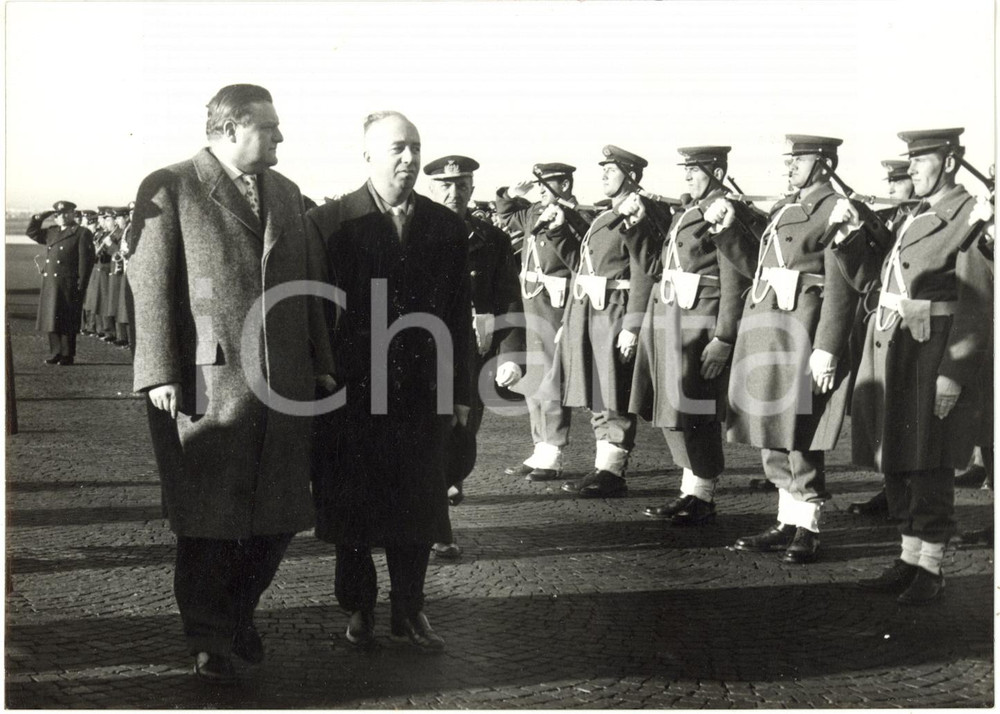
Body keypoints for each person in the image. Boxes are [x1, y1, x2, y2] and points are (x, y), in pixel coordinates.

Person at [129, 83, 334, 683]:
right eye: (268, 127)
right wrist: (160, 373)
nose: (279, 137)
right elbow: (151, 289)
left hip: (287, 383)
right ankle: (208, 639)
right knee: (208, 524)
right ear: (229, 128)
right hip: (208, 386)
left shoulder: (288, 192)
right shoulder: (171, 185)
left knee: (278, 518)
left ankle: (238, 611)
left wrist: (320, 360)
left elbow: (311, 284)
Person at [307, 111, 472, 652]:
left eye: (416, 148)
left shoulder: (446, 227)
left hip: (421, 396)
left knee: (419, 505)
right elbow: (314, 315)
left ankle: (410, 609)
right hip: (351, 396)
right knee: (352, 510)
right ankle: (359, 607)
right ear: (369, 157)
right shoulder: (331, 224)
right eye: (398, 148)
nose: (410, 159)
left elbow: (456, 317)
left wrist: (462, 393)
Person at [708, 135, 886, 564]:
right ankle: (787, 519)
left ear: (823, 164)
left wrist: (826, 348)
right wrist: (731, 229)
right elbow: (759, 271)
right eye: (788, 159)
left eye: (798, 160)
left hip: (801, 331)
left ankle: (808, 527)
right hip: (767, 329)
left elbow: (843, 286)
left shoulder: (834, 210)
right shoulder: (787, 208)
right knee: (772, 429)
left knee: (800, 433)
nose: (789, 167)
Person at [842, 128, 992, 603]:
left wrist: (954, 372)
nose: (910, 168)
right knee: (898, 459)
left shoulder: (969, 215)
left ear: (948, 162)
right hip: (896, 350)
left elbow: (978, 302)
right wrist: (850, 241)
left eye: (920, 159)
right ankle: (908, 558)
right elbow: (881, 280)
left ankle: (931, 568)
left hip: (931, 356)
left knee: (928, 462)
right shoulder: (918, 214)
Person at [631, 146, 758, 524]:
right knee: (673, 409)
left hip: (700, 322)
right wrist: (638, 226)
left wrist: (724, 336)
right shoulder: (688, 211)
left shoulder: (723, 211)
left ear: (716, 170)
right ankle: (689, 489)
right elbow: (657, 266)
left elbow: (734, 279)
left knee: (697, 410)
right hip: (670, 319)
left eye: (694, 170)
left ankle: (702, 494)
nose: (686, 177)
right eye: (684, 170)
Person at [423, 155, 521, 559]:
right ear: (429, 189)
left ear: (473, 190)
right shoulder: (413, 231)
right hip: (423, 352)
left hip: (471, 354)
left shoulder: (490, 239)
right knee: (428, 437)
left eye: (462, 184)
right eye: (445, 185)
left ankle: (450, 482)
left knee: (463, 434)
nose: (454, 192)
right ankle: (435, 526)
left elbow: (508, 298)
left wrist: (511, 353)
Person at [558, 145, 663, 498]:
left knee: (614, 391)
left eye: (611, 169)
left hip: (616, 309)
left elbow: (643, 272)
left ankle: (613, 470)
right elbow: (584, 263)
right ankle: (604, 466)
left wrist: (632, 326)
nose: (603, 174)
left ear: (631, 176)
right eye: (603, 169)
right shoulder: (607, 215)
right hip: (591, 309)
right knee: (599, 392)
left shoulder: (638, 214)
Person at [494, 163, 591, 482]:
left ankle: (554, 451)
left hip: (556, 307)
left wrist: (572, 317)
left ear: (564, 184)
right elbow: (507, 215)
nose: (539, 191)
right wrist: (509, 194)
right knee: (532, 381)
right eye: (537, 185)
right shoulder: (535, 211)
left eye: (545, 184)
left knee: (552, 381)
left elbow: (581, 266)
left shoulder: (576, 218)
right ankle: (540, 446)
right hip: (531, 304)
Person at [848, 159, 916, 518]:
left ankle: (906, 499)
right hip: (880, 324)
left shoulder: (917, 221)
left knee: (903, 417)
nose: (891, 187)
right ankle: (890, 491)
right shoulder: (896, 218)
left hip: (908, 330)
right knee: (884, 415)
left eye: (899, 180)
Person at [26, 200, 94, 365]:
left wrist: (81, 284)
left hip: (68, 282)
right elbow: (32, 232)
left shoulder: (81, 232)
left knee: (67, 319)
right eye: (58, 214)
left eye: (65, 213)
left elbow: (86, 261)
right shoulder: (52, 232)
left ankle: (67, 354)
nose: (62, 217)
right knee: (52, 318)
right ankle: (55, 352)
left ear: (72, 214)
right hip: (52, 283)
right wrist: (38, 217)